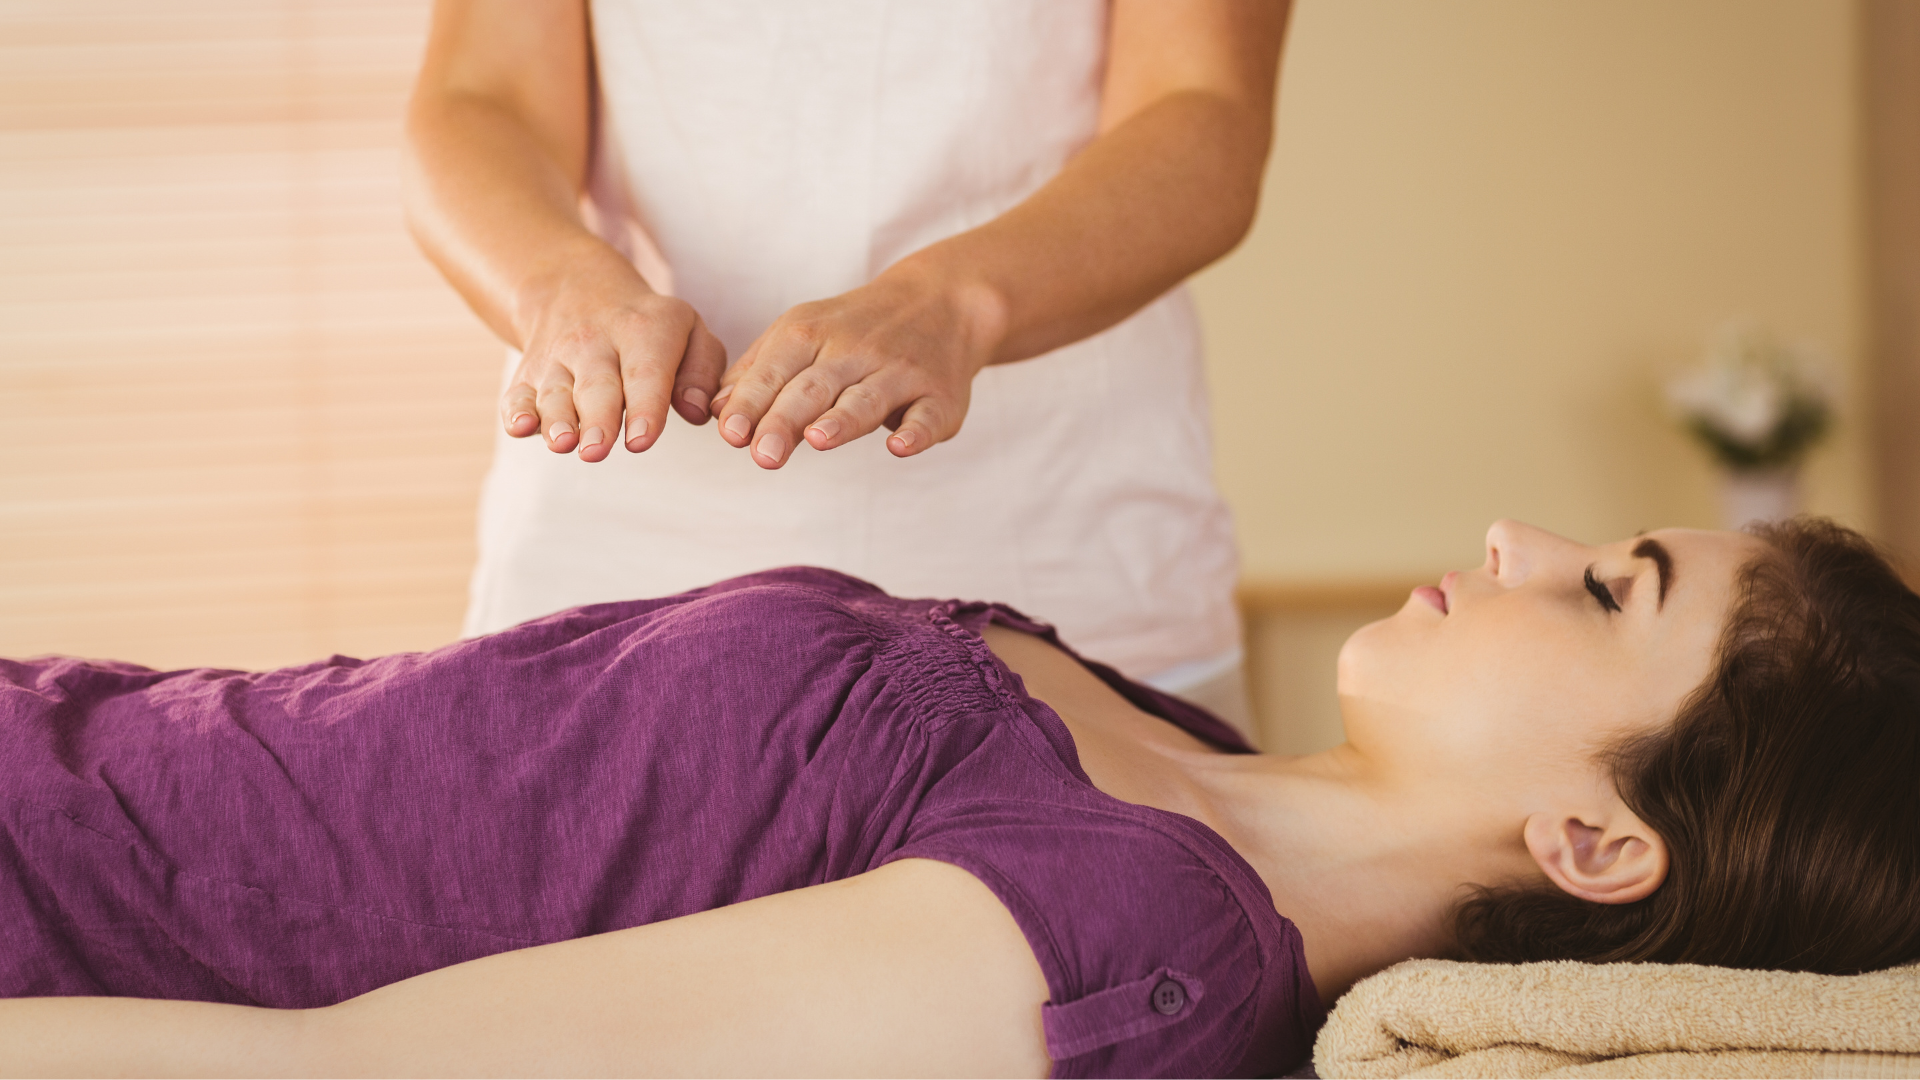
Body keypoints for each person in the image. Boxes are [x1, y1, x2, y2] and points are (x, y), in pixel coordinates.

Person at [2, 518, 1916, 1077]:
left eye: (1608, 588)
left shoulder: (1138, 943)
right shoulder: (1184, 748)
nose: (1520, 531)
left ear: (1597, 842)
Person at [401, 2, 1292, 731]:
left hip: (1068, 581)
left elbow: (1201, 107)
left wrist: (959, 299)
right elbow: (483, 95)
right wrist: (557, 286)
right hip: (611, 583)